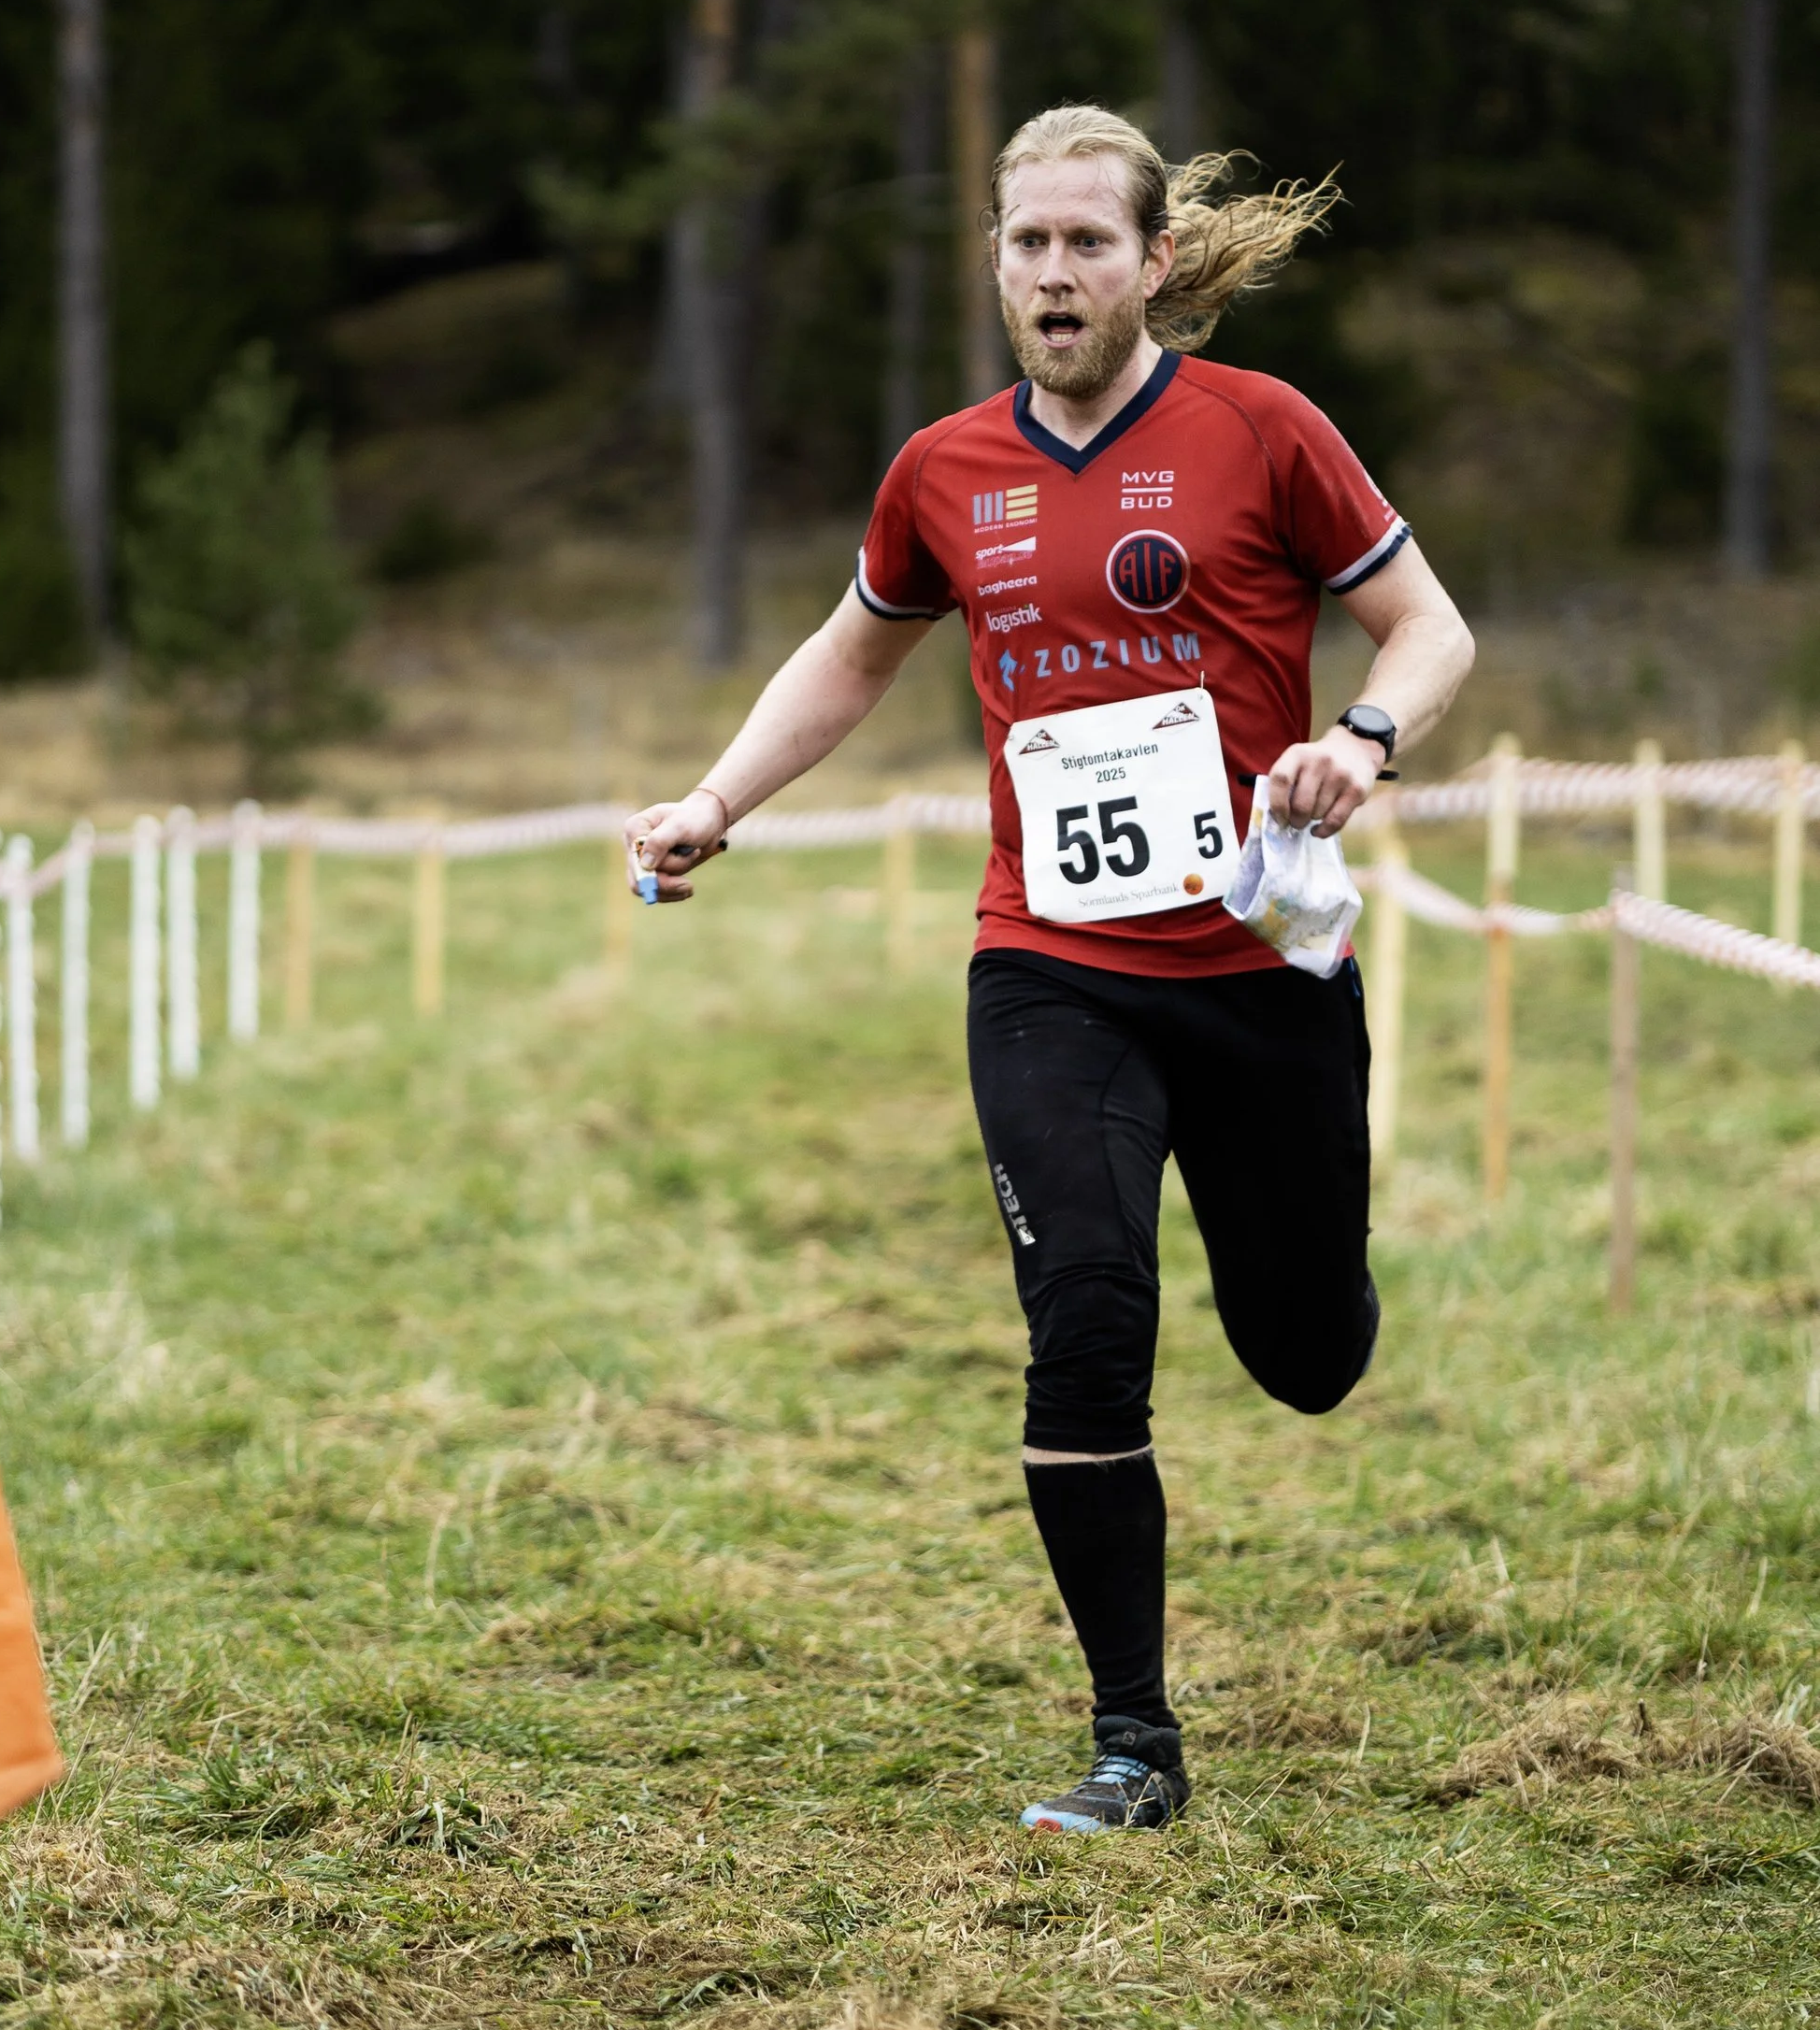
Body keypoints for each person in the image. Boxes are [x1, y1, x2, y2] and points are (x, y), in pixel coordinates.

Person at [626, 104, 1474, 1837]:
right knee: (1084, 1318)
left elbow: (1428, 626)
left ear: (1152, 263)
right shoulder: (942, 471)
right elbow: (850, 658)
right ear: (997, 264)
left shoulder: (1264, 430)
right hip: (1050, 964)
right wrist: (716, 800)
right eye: (1030, 243)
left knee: (1307, 1355)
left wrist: (1362, 739)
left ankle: (1316, 1285)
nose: (1056, 271)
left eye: (1090, 241)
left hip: (1257, 964)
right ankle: (1133, 1741)